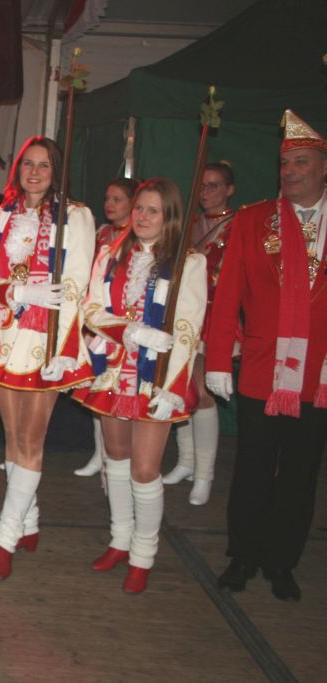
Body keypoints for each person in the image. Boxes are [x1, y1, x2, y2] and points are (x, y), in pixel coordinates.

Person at [206, 110, 327, 602]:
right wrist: (217, 360)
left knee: (300, 474)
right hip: (262, 369)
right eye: (285, 164)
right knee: (252, 468)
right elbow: (227, 295)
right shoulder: (254, 220)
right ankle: (243, 555)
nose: (290, 172)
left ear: (323, 168)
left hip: (319, 376)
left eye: (301, 162)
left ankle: (281, 561)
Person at [0, 135, 95, 580]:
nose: (34, 173)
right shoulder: (1, 216)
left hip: (46, 338)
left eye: (44, 165)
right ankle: (29, 523)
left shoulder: (75, 217)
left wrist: (64, 348)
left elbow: (76, 286)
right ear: (17, 169)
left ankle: (5, 538)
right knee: (12, 436)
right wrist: (17, 291)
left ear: (57, 172)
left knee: (30, 441)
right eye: (28, 164)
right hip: (5, 335)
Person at [73, 178, 206, 594]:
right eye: (140, 209)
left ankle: (143, 554)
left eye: (153, 210)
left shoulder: (188, 263)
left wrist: (172, 387)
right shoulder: (112, 255)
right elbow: (91, 310)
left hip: (157, 377)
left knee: (145, 469)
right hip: (115, 370)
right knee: (116, 457)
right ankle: (119, 539)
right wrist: (129, 331)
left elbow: (188, 329)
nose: (143, 217)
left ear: (170, 217)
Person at [162, 161, 235, 505]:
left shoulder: (236, 226)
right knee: (184, 385)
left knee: (203, 391)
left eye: (215, 185)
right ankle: (186, 462)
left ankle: (204, 474)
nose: (207, 192)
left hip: (215, 316)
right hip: (186, 313)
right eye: (203, 186)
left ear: (229, 190)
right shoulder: (190, 223)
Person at [75, 177, 140, 478]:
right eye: (107, 199)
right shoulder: (102, 233)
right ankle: (99, 452)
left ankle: (122, 461)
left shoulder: (137, 240)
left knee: (123, 395)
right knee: (96, 389)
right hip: (96, 320)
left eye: (117, 199)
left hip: (123, 325)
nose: (109, 205)